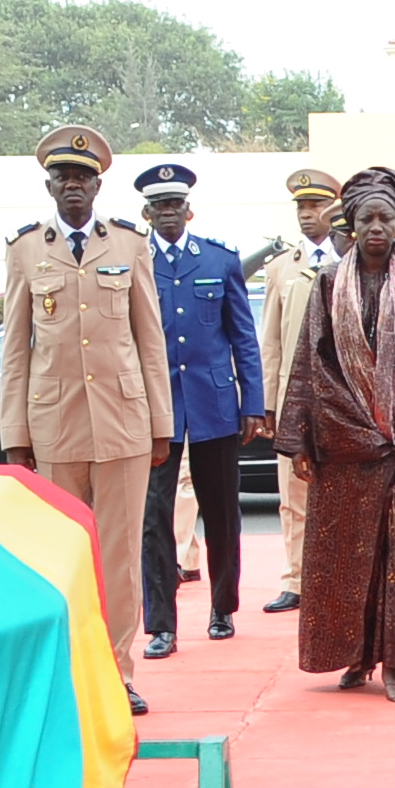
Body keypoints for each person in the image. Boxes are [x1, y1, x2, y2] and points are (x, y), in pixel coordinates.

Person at [0, 124, 169, 715]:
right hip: (55, 425)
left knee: (120, 558)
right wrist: (15, 436)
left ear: (99, 185)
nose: (73, 186)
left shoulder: (128, 244)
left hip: (123, 422)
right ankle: (69, 672)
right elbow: (15, 349)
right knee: (60, 554)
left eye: (83, 177)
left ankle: (117, 673)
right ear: (49, 185)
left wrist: (160, 423)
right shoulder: (25, 249)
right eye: (63, 177)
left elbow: (150, 340)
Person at [274, 167, 395, 703]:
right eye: (366, 218)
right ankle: (355, 657)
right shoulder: (328, 282)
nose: (376, 227)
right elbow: (310, 361)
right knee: (347, 557)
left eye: (386, 218)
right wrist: (303, 440)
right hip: (346, 446)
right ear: (350, 223)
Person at [136, 162, 263, 657]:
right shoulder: (133, 262)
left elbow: (242, 337)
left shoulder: (219, 259)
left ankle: (222, 607)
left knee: (221, 510)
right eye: (159, 207)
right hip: (157, 408)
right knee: (154, 517)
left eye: (175, 205)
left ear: (190, 209)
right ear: (146, 213)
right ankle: (161, 623)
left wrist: (253, 402)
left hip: (213, 403)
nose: (169, 214)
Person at [257, 168, 344, 616]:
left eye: (315, 206)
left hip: (342, 400)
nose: (307, 215)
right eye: (301, 207)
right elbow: (269, 342)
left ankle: (336, 575)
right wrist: (268, 403)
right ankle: (296, 578)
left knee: (341, 494)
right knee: (292, 496)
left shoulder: (350, 257)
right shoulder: (280, 267)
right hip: (296, 399)